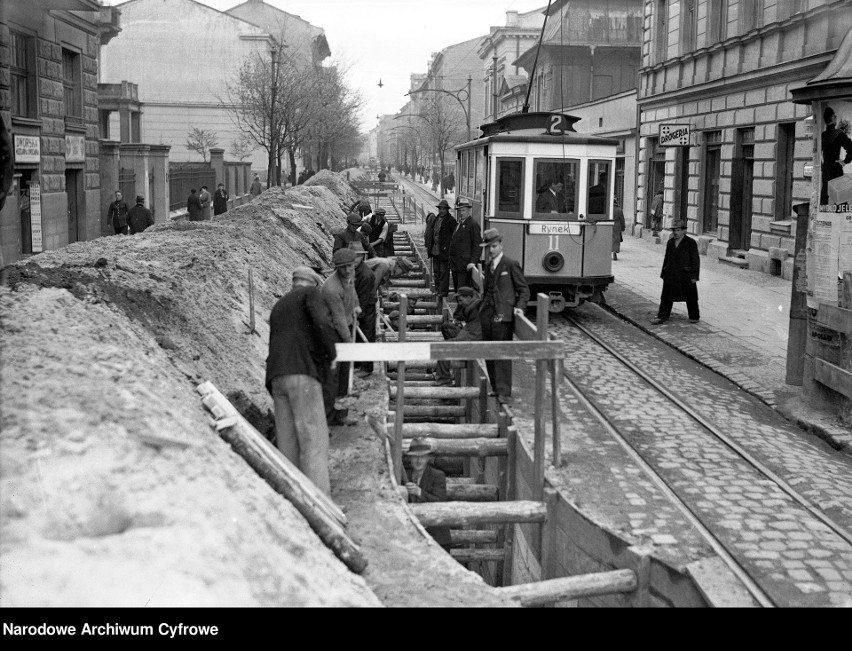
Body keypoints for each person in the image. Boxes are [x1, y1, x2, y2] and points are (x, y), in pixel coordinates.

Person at [266, 266, 336, 494]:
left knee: (288, 444)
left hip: (276, 378)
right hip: (301, 375)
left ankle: (293, 498)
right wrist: (332, 354)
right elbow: (322, 323)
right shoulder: (310, 295)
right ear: (313, 284)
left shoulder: (279, 305)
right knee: (314, 441)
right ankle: (321, 503)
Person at [478, 227, 529, 404]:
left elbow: (523, 290)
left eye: (493, 246)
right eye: (488, 247)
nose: (491, 250)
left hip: (503, 315)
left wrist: (519, 308)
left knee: (503, 353)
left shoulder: (510, 264)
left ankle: (504, 393)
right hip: (488, 313)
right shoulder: (487, 265)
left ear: (500, 245)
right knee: (489, 352)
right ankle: (495, 388)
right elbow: (487, 291)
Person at [321, 247, 361, 426]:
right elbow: (338, 320)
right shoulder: (331, 288)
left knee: (345, 376)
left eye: (350, 266)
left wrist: (356, 307)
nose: (347, 270)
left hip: (345, 326)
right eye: (343, 267)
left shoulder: (349, 277)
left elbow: (352, 293)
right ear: (337, 268)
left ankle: (342, 414)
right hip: (333, 334)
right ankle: (330, 417)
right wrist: (349, 342)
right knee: (334, 376)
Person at [401, 437, 450, 548]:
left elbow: (440, 503)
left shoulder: (438, 476)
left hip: (437, 538)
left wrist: (419, 492)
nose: (419, 461)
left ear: (428, 458)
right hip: (412, 538)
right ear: (410, 458)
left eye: (422, 457)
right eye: (415, 457)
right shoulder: (404, 477)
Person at [650, 220, 700, 325]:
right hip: (671, 274)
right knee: (666, 296)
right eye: (674, 230)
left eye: (678, 230)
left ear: (683, 231)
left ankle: (694, 317)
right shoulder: (670, 242)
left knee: (691, 297)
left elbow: (695, 260)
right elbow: (666, 258)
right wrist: (663, 273)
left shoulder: (690, 243)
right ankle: (662, 316)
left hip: (685, 274)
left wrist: (694, 276)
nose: (675, 233)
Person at [434, 286, 482, 386]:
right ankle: (444, 373)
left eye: (461, 300)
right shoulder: (470, 306)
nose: (459, 303)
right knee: (447, 328)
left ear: (469, 297)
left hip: (472, 343)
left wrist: (457, 341)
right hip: (468, 336)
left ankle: (444, 381)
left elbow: (474, 334)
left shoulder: (476, 308)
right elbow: (459, 317)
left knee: (441, 347)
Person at [348, 241, 377, 377]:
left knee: (367, 336)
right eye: (353, 257)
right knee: (358, 337)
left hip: (366, 309)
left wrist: (357, 315)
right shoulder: (354, 269)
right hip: (358, 306)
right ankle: (358, 364)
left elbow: (363, 299)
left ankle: (367, 368)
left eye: (358, 257)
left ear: (362, 257)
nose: (355, 260)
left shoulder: (365, 274)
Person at [448, 197, 482, 292]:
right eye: (459, 210)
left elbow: (477, 245)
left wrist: (473, 262)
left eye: (463, 210)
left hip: (464, 266)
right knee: (457, 291)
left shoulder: (472, 224)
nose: (461, 213)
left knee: (463, 292)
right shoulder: (459, 223)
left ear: (469, 211)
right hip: (456, 265)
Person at [821, 105, 852, 204]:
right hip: (835, 168)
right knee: (840, 199)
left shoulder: (823, 135)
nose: (836, 117)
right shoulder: (838, 134)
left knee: (824, 196)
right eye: (835, 116)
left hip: (826, 169)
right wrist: (845, 161)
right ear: (832, 118)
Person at [432, 199, 456, 297]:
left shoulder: (451, 220)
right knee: (436, 272)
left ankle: (443, 291)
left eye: (443, 209)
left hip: (444, 251)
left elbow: (454, 236)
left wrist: (449, 248)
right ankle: (437, 290)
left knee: (444, 272)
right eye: (440, 209)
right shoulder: (437, 218)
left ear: (447, 210)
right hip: (435, 250)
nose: (441, 211)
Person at [612, 196, 626, 261]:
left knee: (609, 238)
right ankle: (615, 251)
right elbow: (622, 219)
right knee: (616, 239)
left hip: (609, 224)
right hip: (617, 225)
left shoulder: (608, 209)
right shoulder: (619, 210)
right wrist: (623, 227)